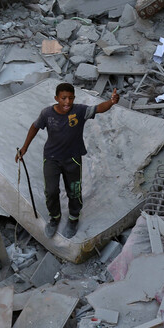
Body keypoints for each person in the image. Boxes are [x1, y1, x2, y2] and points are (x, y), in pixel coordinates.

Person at [16, 82, 119, 239]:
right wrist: (25, 147)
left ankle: (73, 219)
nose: (67, 102)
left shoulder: (79, 111)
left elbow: (99, 108)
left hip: (72, 159)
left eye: (70, 98)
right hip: (51, 158)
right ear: (56, 98)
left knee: (74, 190)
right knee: (51, 191)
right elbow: (34, 126)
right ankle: (54, 218)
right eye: (63, 98)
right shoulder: (47, 114)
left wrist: (111, 102)